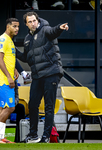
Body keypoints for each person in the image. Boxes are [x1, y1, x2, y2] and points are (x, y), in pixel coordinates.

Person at [17, 11, 69, 143]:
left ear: (37, 20)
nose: (33, 23)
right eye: (30, 22)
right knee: (33, 104)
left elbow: (53, 32)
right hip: (37, 75)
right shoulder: (27, 39)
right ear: (26, 24)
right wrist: (14, 51)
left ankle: (46, 136)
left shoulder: (45, 29)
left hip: (51, 72)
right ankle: (33, 135)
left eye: (34, 20)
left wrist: (60, 28)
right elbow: (26, 58)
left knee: (49, 106)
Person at [0, 18, 20, 144]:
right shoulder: (3, 39)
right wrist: (8, 76)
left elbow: (6, 59)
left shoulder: (10, 40)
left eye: (18, 27)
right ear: (8, 27)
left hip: (4, 78)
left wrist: (14, 69)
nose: (17, 29)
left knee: (3, 108)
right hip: (3, 80)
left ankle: (0, 136)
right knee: (10, 108)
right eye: (14, 26)